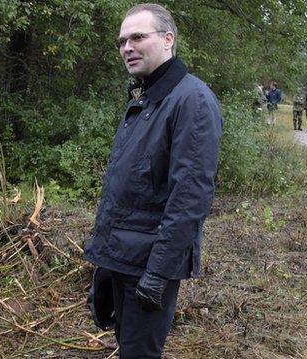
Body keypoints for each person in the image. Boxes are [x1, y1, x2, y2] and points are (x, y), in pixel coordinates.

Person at [83, 4, 223, 358]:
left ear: (167, 39)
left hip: (148, 264)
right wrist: (104, 256)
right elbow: (131, 185)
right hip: (123, 256)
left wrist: (158, 273)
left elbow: (190, 198)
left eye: (138, 37)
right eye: (121, 41)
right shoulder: (145, 98)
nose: (127, 47)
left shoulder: (191, 100)